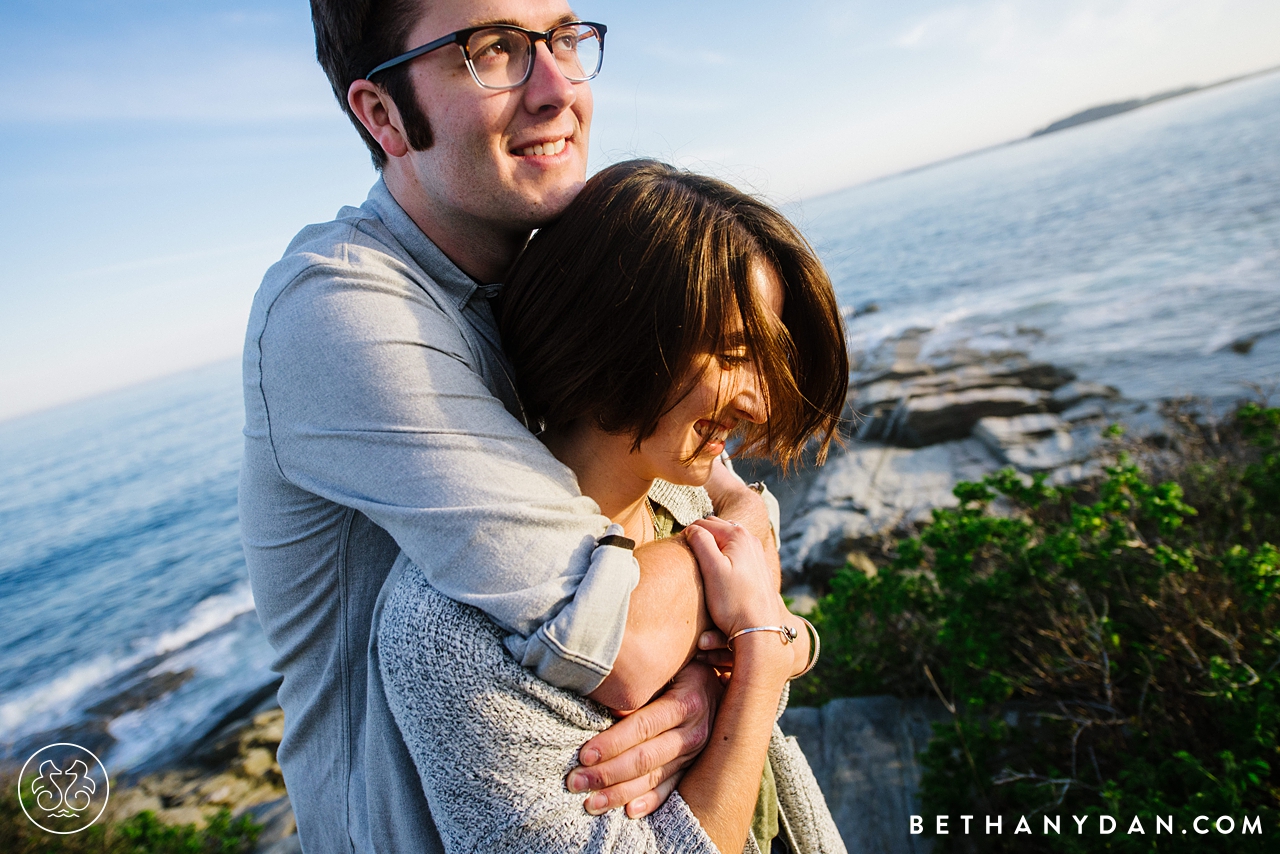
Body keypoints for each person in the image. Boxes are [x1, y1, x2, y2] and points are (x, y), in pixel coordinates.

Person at [240, 2, 784, 851]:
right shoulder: (335, 311)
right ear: (382, 114)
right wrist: (749, 624)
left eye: (565, 38)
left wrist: (754, 653)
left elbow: (714, 498)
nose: (558, 86)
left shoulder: (539, 272)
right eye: (492, 50)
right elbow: (624, 636)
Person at [377, 160, 849, 853]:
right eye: (732, 355)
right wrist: (754, 663)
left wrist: (758, 655)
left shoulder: (679, 498)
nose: (759, 402)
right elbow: (765, 654)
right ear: (619, 333)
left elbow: (775, 640)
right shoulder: (449, 627)